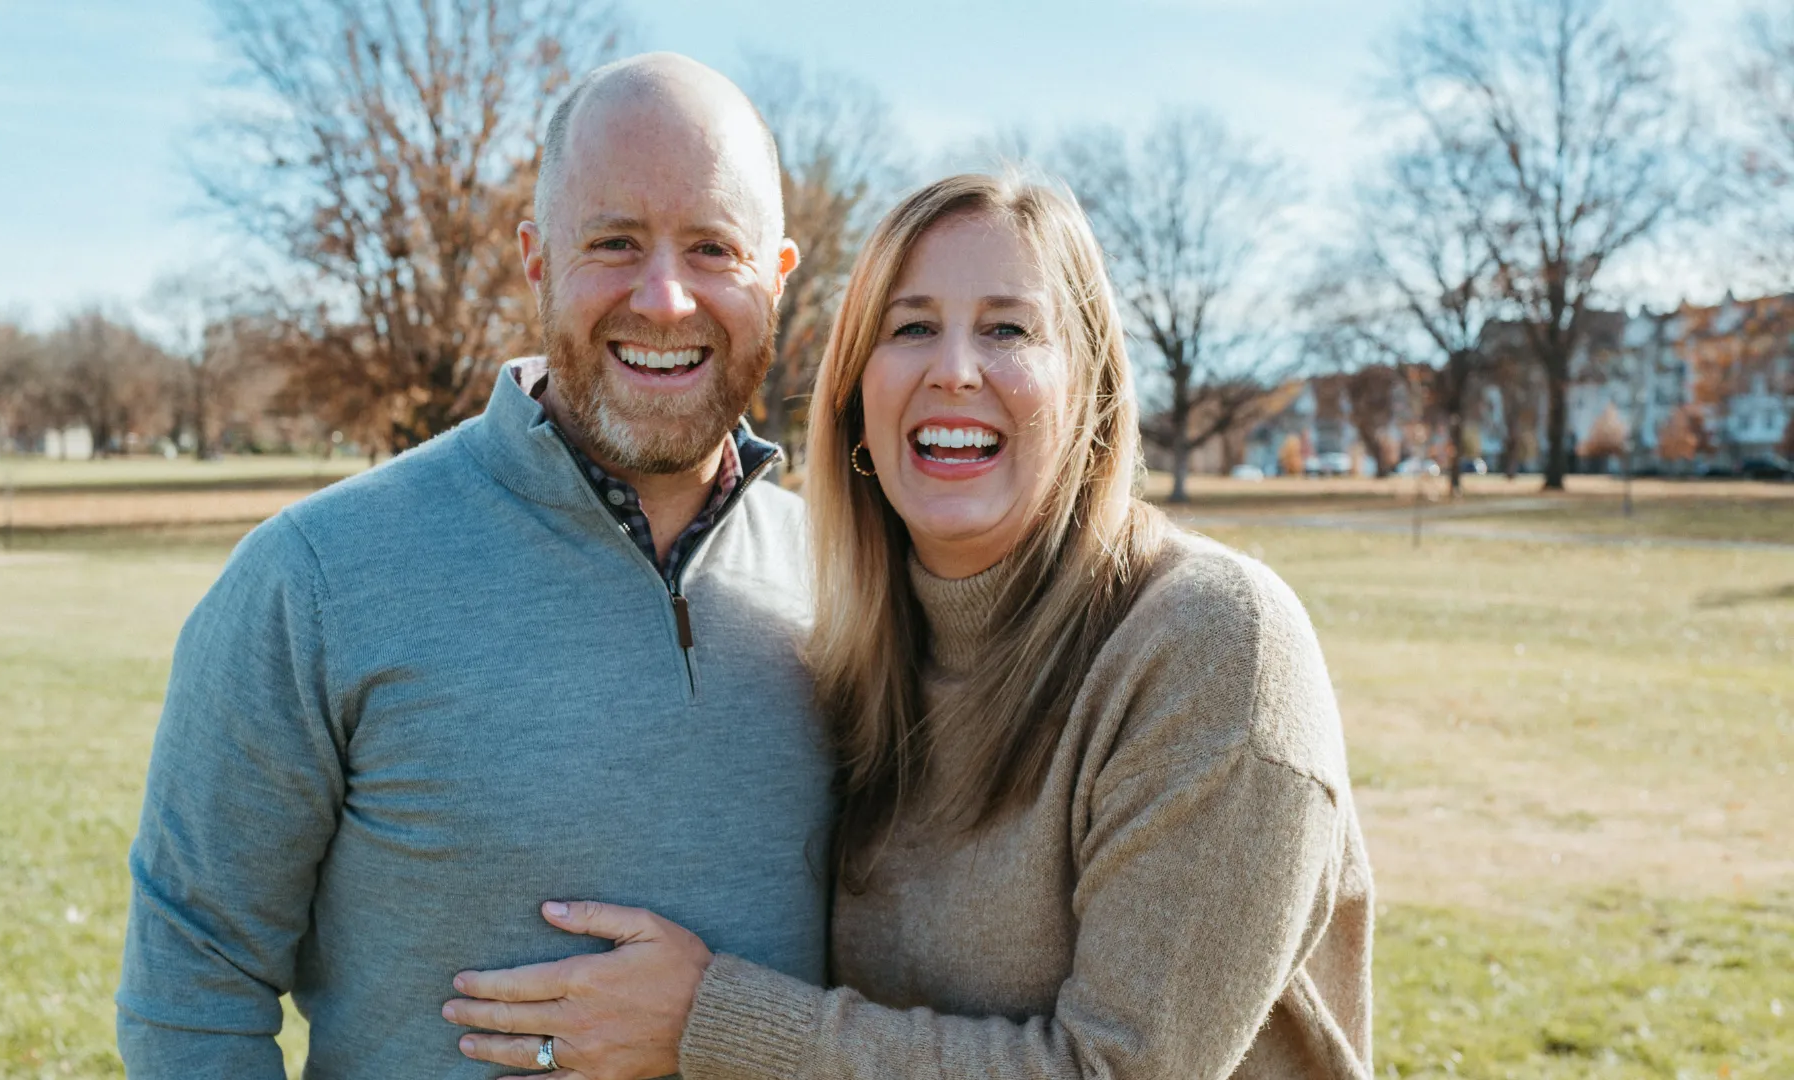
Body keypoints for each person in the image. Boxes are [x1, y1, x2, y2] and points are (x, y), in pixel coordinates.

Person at [440, 174, 1376, 1079]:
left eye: (1008, 328)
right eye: (912, 328)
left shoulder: (1213, 643)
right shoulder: (853, 659)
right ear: (857, 395)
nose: (955, 370)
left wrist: (710, 1026)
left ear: (1089, 390)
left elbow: (1118, 1072)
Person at [115, 53, 836, 1078]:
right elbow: (193, 980)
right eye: (614, 241)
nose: (666, 298)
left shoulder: (848, 587)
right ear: (536, 260)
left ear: (777, 277)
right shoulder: (312, 579)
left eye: (714, 248)